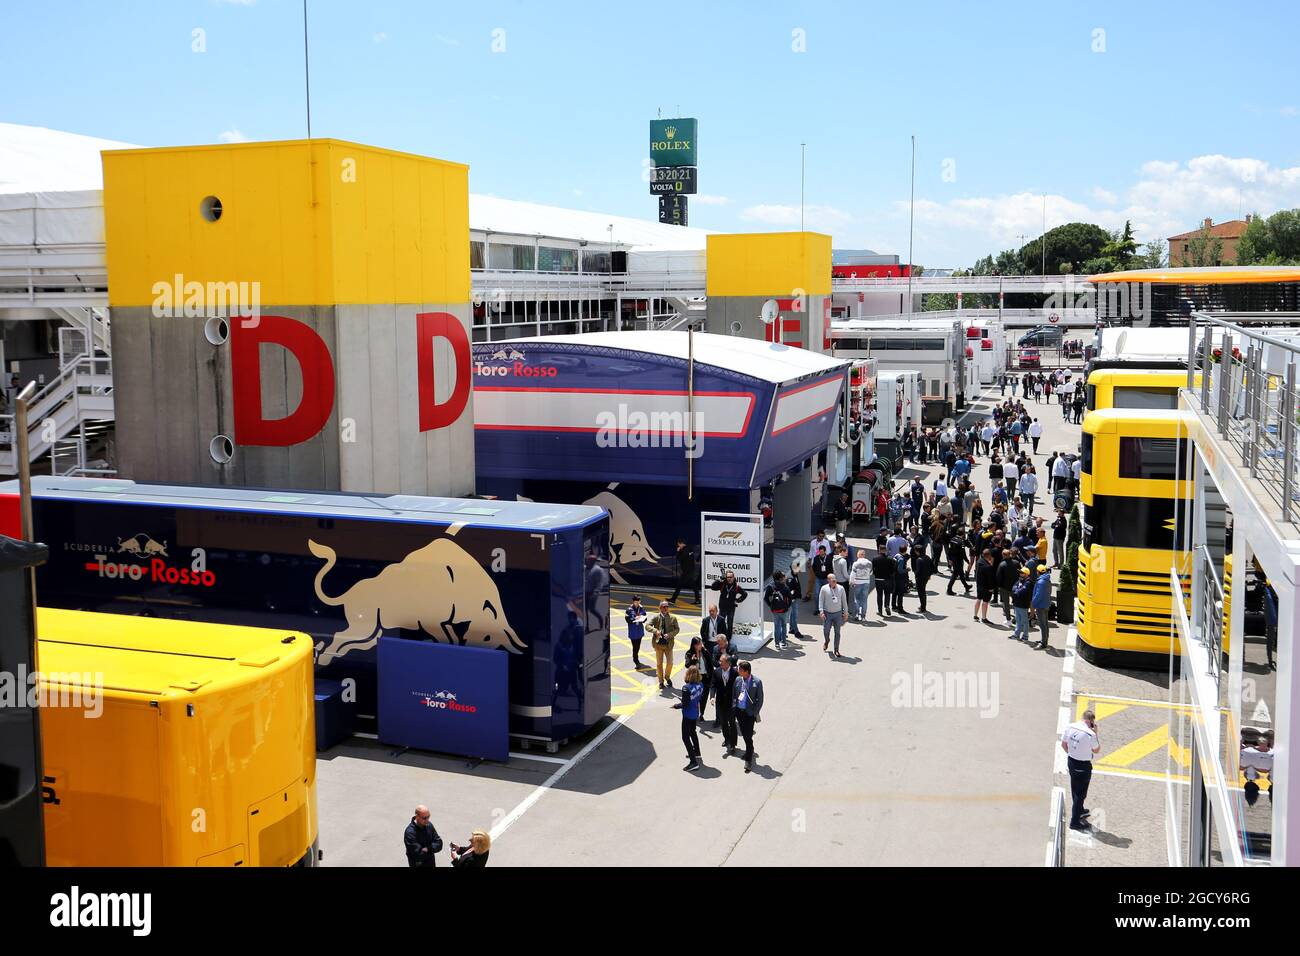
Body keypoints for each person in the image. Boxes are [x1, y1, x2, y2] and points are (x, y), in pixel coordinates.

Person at [1061, 710, 1101, 831]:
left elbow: (1063, 744)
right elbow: (1096, 750)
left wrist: (1073, 754)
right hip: (1083, 766)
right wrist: (1096, 733)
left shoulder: (1070, 726)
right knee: (1081, 793)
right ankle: (1075, 822)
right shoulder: (1090, 734)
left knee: (1075, 788)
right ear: (1091, 722)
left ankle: (1080, 809)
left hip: (1072, 762)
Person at [732, 660, 764, 773]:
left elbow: (760, 700)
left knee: (748, 735)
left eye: (740, 669)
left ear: (746, 671)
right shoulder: (737, 680)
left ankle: (749, 759)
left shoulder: (757, 682)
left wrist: (754, 713)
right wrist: (734, 707)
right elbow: (734, 695)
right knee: (745, 734)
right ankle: (749, 749)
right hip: (739, 712)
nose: (738, 670)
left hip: (749, 713)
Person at [672, 664, 706, 771]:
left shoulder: (686, 688)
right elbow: (696, 698)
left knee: (685, 737)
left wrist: (676, 706)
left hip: (687, 714)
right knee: (693, 732)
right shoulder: (701, 685)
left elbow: (685, 704)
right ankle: (697, 752)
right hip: (695, 712)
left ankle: (693, 762)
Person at [647, 600, 679, 690]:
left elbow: (677, 629)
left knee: (670, 663)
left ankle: (667, 676)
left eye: (667, 607)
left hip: (668, 645)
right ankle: (661, 681)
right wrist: (655, 631)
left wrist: (670, 634)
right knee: (659, 664)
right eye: (664, 607)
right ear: (660, 608)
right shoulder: (656, 617)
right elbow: (647, 626)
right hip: (658, 645)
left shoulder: (673, 618)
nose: (666, 608)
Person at [712, 653, 739, 754]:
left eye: (721, 662)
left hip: (731, 703)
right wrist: (712, 697)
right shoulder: (717, 672)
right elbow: (713, 685)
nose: (719, 663)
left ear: (728, 663)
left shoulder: (735, 672)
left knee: (732, 723)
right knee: (723, 723)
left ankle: (733, 744)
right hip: (720, 702)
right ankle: (726, 739)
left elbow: (739, 687)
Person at [818, 574, 849, 657]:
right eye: (832, 580)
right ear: (828, 580)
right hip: (827, 613)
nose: (834, 581)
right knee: (826, 630)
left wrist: (846, 613)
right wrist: (821, 611)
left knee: (837, 632)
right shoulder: (824, 588)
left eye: (835, 580)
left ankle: (836, 649)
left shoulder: (841, 588)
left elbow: (844, 601)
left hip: (838, 614)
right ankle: (827, 640)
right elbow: (820, 601)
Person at [710, 569, 747, 636]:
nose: (729, 579)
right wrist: (719, 580)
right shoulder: (723, 584)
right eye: (728, 577)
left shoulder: (736, 586)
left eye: (731, 577)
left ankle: (728, 639)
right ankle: (720, 638)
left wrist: (738, 600)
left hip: (731, 608)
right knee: (721, 623)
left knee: (730, 624)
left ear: (734, 578)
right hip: (722, 607)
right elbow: (712, 587)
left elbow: (745, 594)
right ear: (726, 578)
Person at [763, 571, 793, 649]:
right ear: (780, 578)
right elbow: (790, 598)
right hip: (784, 610)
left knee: (777, 627)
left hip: (775, 610)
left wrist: (771, 606)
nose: (785, 578)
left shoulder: (770, 586)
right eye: (784, 577)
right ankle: (783, 643)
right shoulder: (785, 587)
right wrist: (787, 606)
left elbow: (766, 598)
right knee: (784, 626)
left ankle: (777, 644)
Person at [670, 539, 698, 604]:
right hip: (690, 570)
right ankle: (697, 599)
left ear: (681, 544)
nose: (679, 546)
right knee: (693, 585)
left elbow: (679, 559)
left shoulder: (684, 550)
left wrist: (678, 551)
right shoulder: (690, 549)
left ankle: (673, 599)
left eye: (679, 545)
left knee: (679, 585)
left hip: (686, 572)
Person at [1031, 562, 1052, 648]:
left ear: (1039, 572)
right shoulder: (1047, 580)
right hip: (1046, 604)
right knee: (1045, 624)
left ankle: (1043, 642)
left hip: (1041, 605)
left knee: (1042, 624)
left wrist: (1033, 603)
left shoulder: (1040, 582)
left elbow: (1038, 595)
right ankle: (1045, 639)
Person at [849, 548, 873, 623]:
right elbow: (871, 573)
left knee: (857, 599)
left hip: (858, 582)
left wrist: (851, 582)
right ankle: (863, 616)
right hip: (866, 582)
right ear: (864, 555)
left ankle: (856, 615)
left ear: (858, 555)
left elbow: (853, 574)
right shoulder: (869, 563)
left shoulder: (856, 563)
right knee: (864, 600)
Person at [996, 548, 1020, 622]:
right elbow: (1021, 573)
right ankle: (1017, 618)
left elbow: (998, 577)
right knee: (1016, 603)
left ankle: (1008, 620)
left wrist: (998, 586)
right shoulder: (1016, 563)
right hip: (1015, 587)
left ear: (1003, 556)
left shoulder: (1002, 565)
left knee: (1006, 604)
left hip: (1004, 588)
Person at [973, 549, 996, 623]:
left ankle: (975, 615)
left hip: (979, 585)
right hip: (986, 587)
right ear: (989, 555)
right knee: (985, 602)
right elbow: (990, 579)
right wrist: (991, 588)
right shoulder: (988, 567)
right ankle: (984, 618)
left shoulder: (979, 561)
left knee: (978, 599)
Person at [871, 546, 896, 616]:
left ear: (879, 550)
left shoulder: (875, 559)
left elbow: (873, 569)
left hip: (878, 579)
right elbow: (893, 570)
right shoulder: (890, 559)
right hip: (888, 579)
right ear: (886, 550)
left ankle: (880, 610)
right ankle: (887, 605)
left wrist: (876, 574)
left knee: (879, 595)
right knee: (887, 594)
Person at [911, 543, 935, 613]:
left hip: (920, 579)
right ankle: (923, 606)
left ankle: (923, 608)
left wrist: (916, 577)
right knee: (923, 592)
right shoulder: (927, 557)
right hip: (926, 578)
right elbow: (933, 568)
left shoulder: (919, 560)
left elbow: (917, 571)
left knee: (921, 593)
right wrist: (929, 575)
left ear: (917, 551)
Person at [1011, 566, 1033, 642]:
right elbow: (1014, 587)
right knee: (1018, 620)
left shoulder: (1028, 582)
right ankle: (1016, 634)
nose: (1020, 574)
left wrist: (1016, 591)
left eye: (1022, 573)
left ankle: (1025, 636)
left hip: (1023, 604)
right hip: (1017, 603)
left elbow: (1022, 591)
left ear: (1026, 574)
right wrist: (1016, 591)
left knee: (1024, 621)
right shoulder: (1020, 580)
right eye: (1020, 572)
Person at [625, 595, 647, 670]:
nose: (637, 603)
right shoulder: (629, 609)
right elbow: (627, 619)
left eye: (638, 601)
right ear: (633, 602)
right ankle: (636, 661)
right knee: (635, 647)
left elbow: (645, 617)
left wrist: (641, 618)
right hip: (633, 631)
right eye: (636, 602)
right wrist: (634, 619)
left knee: (638, 646)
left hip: (639, 631)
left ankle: (636, 657)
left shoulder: (641, 608)